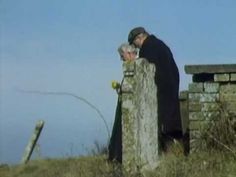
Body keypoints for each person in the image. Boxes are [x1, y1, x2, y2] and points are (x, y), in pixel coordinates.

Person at [128, 27, 183, 151]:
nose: (135, 47)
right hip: (170, 91)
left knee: (162, 126)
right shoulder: (160, 45)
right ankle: (175, 151)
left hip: (160, 94)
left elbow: (145, 76)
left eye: (134, 43)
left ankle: (166, 152)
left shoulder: (148, 49)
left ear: (139, 37)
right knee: (172, 124)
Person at [108, 43, 137, 163]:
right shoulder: (131, 67)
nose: (121, 59)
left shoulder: (137, 67)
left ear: (129, 53)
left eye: (122, 55)